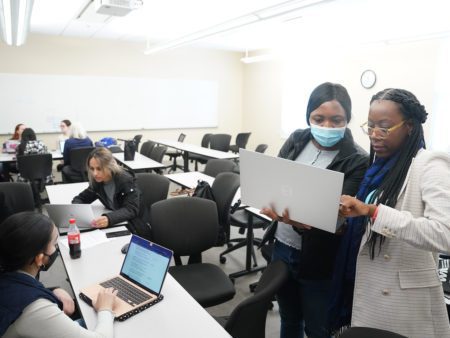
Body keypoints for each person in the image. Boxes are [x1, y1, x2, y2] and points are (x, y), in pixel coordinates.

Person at [331, 88, 450, 338]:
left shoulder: (430, 164)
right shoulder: (377, 168)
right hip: (368, 284)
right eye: (370, 126)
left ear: (408, 126)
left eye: (384, 127)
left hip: (402, 300)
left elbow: (444, 234)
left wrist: (374, 212)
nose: (374, 135)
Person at [260, 82, 368, 338]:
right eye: (318, 119)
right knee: (289, 318)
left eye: (336, 120)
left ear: (348, 119)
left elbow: (338, 215)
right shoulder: (298, 139)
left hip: (320, 258)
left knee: (318, 328)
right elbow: (278, 178)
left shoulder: (357, 159)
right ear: (308, 116)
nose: (327, 126)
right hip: (282, 247)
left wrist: (301, 216)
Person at [0, 211, 118, 337]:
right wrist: (105, 309)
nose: (56, 249)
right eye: (55, 244)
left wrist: (53, 291)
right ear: (39, 259)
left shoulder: (7, 272)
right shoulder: (35, 308)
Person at [72, 147, 151, 239]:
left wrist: (109, 218)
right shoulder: (98, 182)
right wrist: (78, 210)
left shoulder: (125, 180)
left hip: (134, 225)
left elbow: (131, 209)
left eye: (99, 169)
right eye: (92, 169)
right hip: (117, 223)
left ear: (109, 166)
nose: (94, 174)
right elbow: (80, 198)